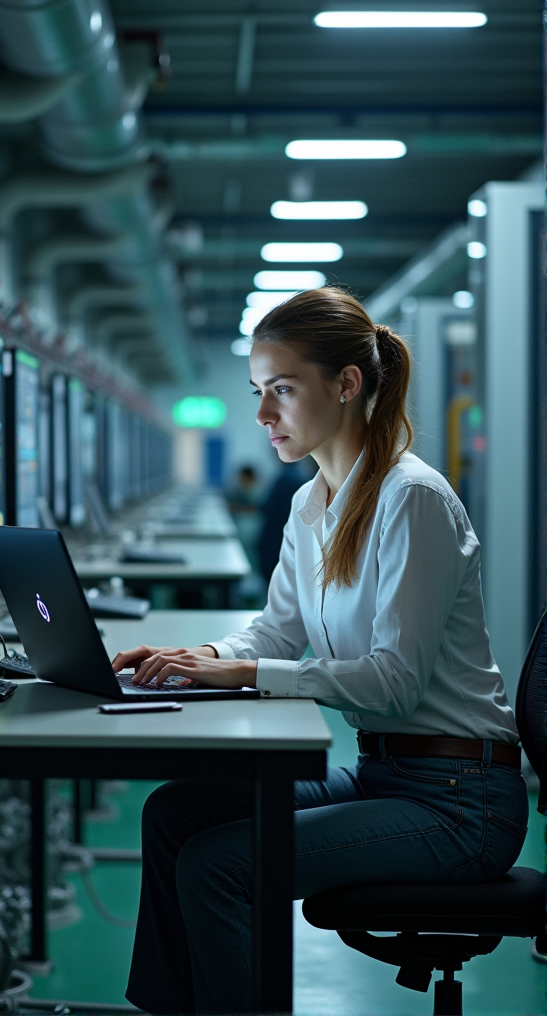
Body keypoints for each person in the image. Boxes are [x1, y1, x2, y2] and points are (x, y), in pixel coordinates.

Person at [112, 288, 527, 1016]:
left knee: (220, 866)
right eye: (257, 392)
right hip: (384, 774)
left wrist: (243, 673)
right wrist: (197, 654)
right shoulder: (312, 504)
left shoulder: (413, 499)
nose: (262, 414)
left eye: (282, 390)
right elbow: (274, 630)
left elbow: (394, 683)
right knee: (175, 814)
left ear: (346, 383)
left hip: (462, 805)